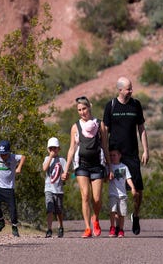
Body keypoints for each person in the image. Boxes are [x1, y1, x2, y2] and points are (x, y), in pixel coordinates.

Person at [103, 76, 149, 235]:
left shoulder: (136, 105)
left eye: (131, 88)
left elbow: (141, 128)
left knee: (138, 190)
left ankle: (135, 215)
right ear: (120, 90)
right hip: (115, 155)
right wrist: (105, 153)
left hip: (132, 154)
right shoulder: (111, 105)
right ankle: (117, 226)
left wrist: (146, 150)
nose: (131, 91)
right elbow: (105, 131)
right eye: (128, 89)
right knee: (116, 189)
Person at [62, 96, 112, 238]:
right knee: (85, 195)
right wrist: (66, 170)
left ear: (89, 107)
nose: (82, 112)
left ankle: (95, 218)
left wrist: (110, 168)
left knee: (96, 198)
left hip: (97, 165)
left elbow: (105, 147)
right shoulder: (75, 127)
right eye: (79, 110)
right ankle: (87, 227)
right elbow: (72, 149)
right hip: (81, 165)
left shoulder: (99, 124)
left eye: (84, 108)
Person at [107, 147, 136, 238]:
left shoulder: (124, 167)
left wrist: (132, 188)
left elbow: (128, 178)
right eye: (111, 155)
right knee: (112, 211)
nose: (112, 157)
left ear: (119, 156)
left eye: (114, 155)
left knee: (121, 213)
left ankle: (120, 229)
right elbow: (104, 179)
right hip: (113, 193)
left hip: (122, 194)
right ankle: (112, 227)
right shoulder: (109, 167)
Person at [42, 137, 66, 238]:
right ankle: (49, 229)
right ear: (48, 149)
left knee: (59, 210)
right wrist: (50, 157)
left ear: (58, 149)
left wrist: (65, 176)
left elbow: (65, 174)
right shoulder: (47, 159)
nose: (53, 150)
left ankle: (60, 226)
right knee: (49, 208)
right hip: (49, 188)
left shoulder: (62, 160)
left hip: (58, 189)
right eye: (51, 148)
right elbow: (44, 168)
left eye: (55, 148)